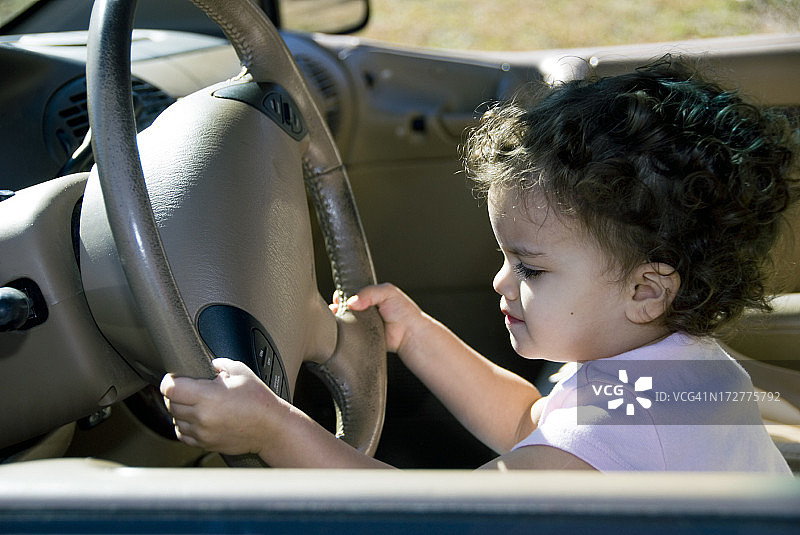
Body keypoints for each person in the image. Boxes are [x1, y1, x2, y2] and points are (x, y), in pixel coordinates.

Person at [161, 59, 798, 472]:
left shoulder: (605, 454)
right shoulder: (668, 363)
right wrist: (419, 338)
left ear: (647, 290)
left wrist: (273, 429)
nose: (501, 281)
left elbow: (427, 519)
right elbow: (530, 421)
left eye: (530, 268)